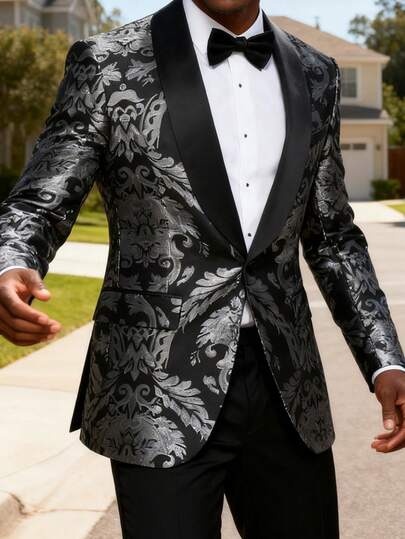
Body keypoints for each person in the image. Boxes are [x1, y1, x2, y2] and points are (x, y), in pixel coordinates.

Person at [0, 0, 404, 537]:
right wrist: (12, 260)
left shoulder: (317, 73)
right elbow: (39, 201)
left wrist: (384, 360)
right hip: (154, 389)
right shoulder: (107, 62)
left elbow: (332, 236)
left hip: (288, 389)